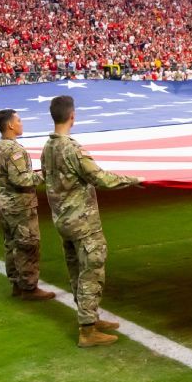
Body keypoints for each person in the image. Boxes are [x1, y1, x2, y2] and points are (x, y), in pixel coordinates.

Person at [41, 95, 143, 348]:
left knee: (76, 270)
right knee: (92, 270)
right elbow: (100, 178)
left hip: (62, 219)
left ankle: (90, 317)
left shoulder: (47, 148)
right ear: (72, 116)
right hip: (82, 221)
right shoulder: (72, 149)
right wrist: (134, 179)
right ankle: (87, 330)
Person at [0, 109, 54, 301]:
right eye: (18, 120)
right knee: (28, 245)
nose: (21, 123)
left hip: (5, 203)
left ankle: (16, 283)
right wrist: (45, 174)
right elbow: (21, 179)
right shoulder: (15, 150)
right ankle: (29, 287)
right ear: (10, 125)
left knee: (11, 245)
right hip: (20, 206)